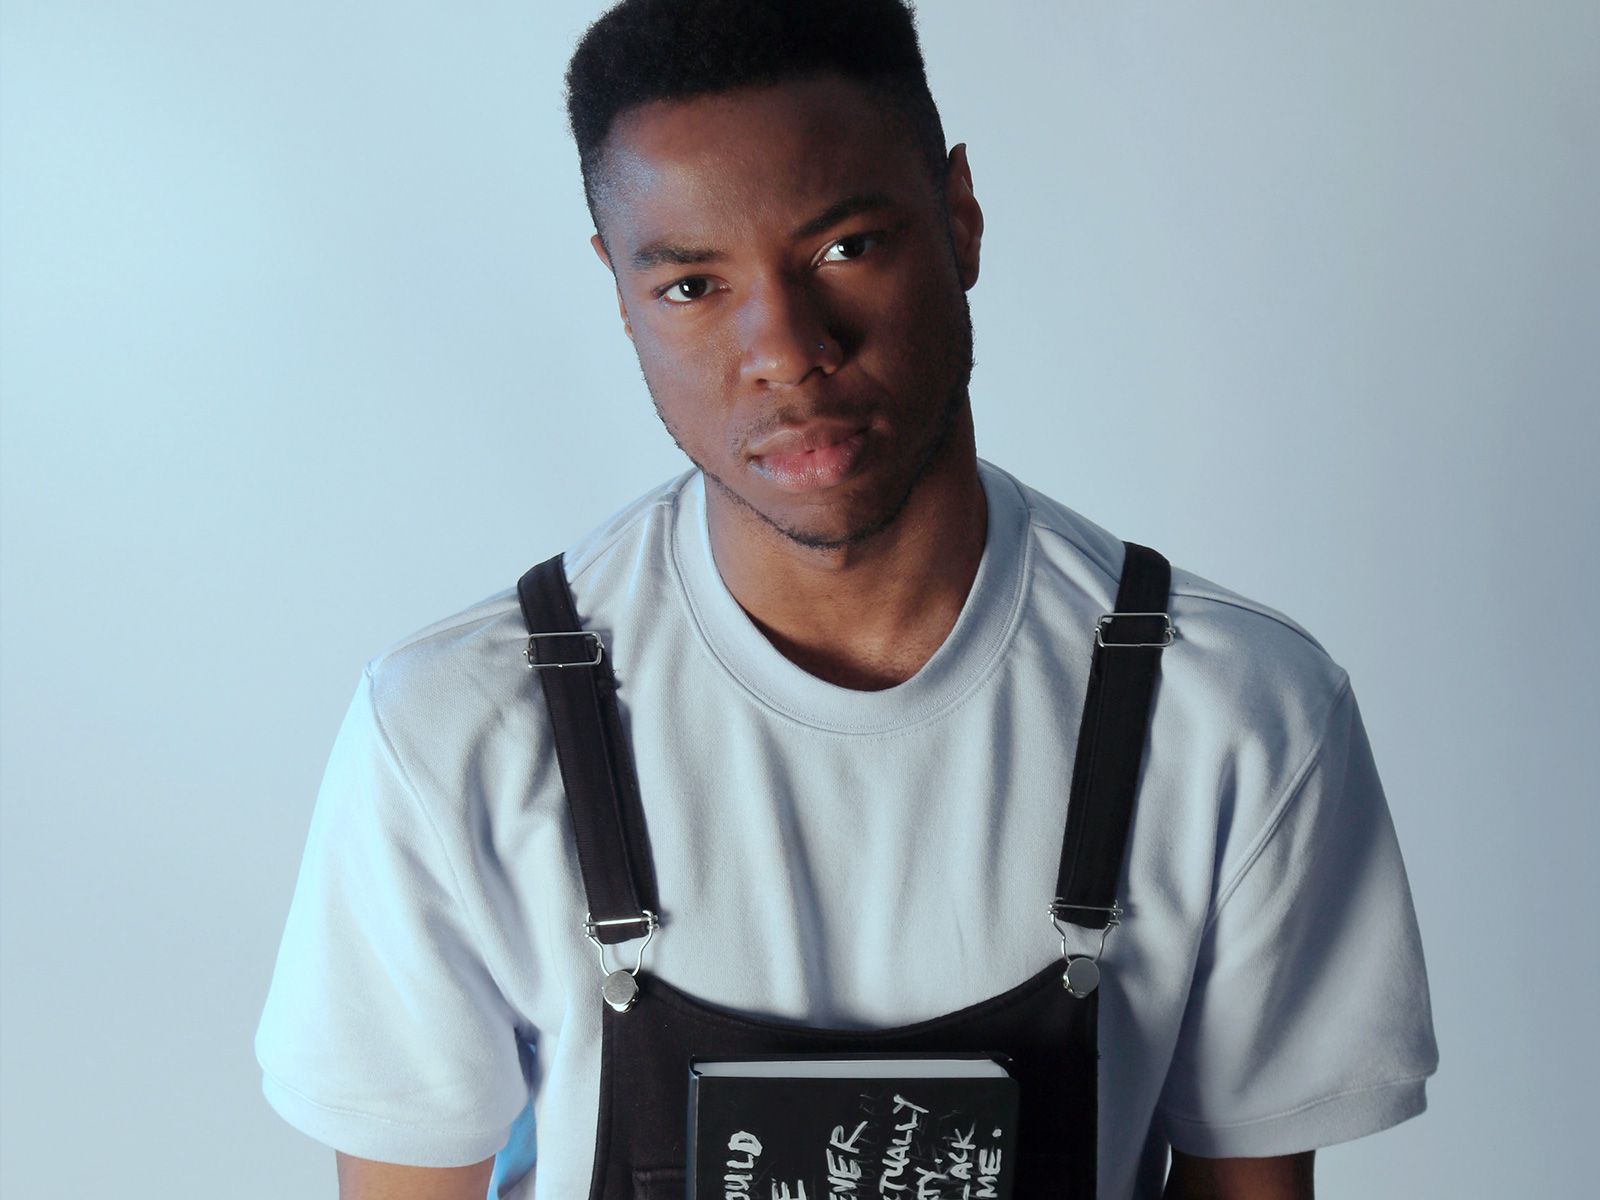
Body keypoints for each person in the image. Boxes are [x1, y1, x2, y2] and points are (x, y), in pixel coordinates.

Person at [254, 1, 1439, 1197]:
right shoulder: (453, 732)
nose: (785, 349)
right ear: (619, 293)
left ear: (959, 220)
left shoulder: (1235, 716)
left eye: (844, 249)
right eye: (692, 285)